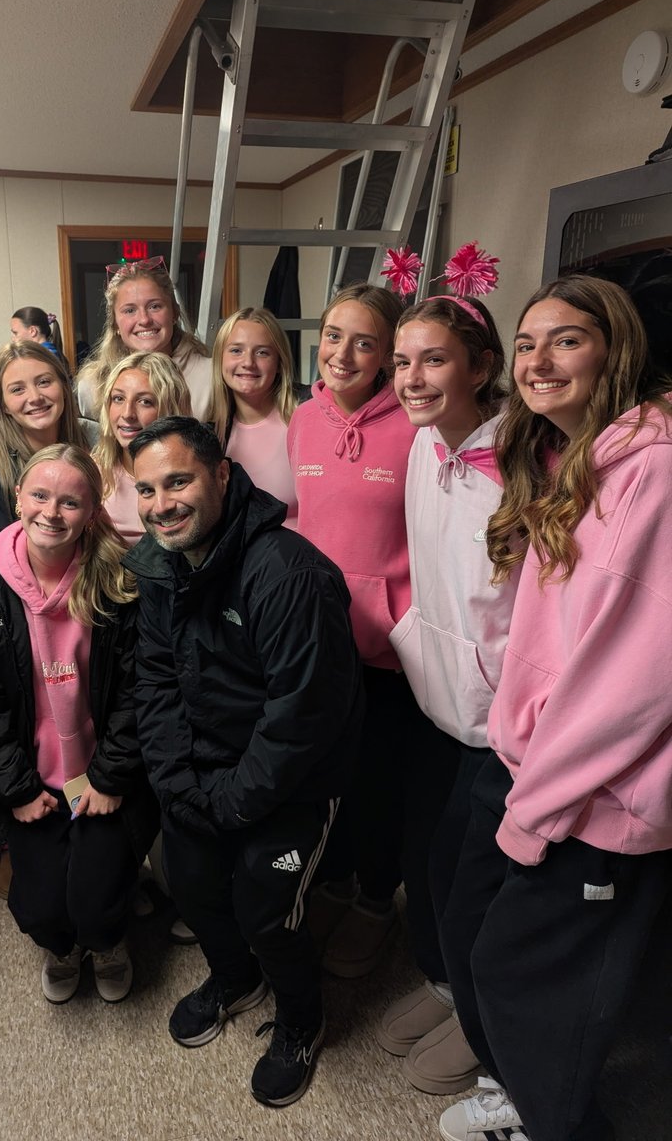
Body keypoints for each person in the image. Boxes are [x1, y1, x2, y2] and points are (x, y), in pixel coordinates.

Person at [438, 275, 672, 1141]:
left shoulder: (654, 471)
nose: (540, 360)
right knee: (472, 935)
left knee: (528, 982)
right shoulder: (568, 459)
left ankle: (558, 1121)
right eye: (529, 342)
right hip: (531, 761)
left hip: (597, 794)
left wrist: (537, 809)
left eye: (565, 340)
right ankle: (527, 1096)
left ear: (614, 350)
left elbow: (633, 683)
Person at [123, 416, 363, 1108]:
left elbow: (301, 718)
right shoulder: (162, 564)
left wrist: (228, 804)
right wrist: (177, 786)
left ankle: (300, 1017)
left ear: (221, 476)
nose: (161, 503)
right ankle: (234, 979)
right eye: (146, 489)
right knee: (190, 882)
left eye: (178, 481)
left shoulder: (288, 573)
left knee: (266, 906)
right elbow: (156, 681)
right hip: (205, 770)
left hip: (293, 784)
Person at [287, 284, 455, 987]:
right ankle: (338, 877)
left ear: (388, 354)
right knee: (329, 779)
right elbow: (302, 515)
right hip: (317, 642)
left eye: (363, 341)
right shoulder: (301, 418)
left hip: (390, 652)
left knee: (381, 784)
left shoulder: (418, 426)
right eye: (332, 336)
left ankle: (376, 901)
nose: (342, 354)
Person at [0, 445, 158, 1005]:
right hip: (31, 778)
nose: (51, 512)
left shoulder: (118, 579)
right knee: (41, 907)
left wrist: (112, 777)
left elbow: (139, 691)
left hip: (102, 773)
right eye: (40, 495)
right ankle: (62, 949)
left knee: (97, 900)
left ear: (93, 511)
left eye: (71, 502)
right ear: (17, 498)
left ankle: (107, 942)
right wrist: (16, 790)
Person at [375, 294, 516, 1097]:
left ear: (481, 368)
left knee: (475, 879)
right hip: (433, 691)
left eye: (433, 359)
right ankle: (440, 979)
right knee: (424, 856)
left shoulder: (524, 465)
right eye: (403, 361)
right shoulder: (425, 446)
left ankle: (478, 1004)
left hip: (499, 719)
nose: (412, 377)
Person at [0, 340, 92, 556]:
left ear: (63, 386)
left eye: (44, 382)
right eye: (17, 390)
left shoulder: (99, 443)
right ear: (3, 404)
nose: (35, 397)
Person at [75, 256, 212, 421]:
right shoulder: (92, 386)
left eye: (155, 306)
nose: (144, 320)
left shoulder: (211, 377)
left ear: (174, 313)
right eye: (130, 310)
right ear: (115, 324)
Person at [207, 306, 306, 525]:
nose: (248, 362)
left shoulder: (306, 416)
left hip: (305, 555)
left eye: (262, 352)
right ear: (220, 360)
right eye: (236, 350)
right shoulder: (212, 436)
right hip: (244, 558)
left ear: (279, 363)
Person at [91, 351, 192, 543]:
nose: (127, 413)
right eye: (118, 399)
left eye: (145, 402)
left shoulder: (193, 476)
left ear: (170, 409)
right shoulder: (92, 472)